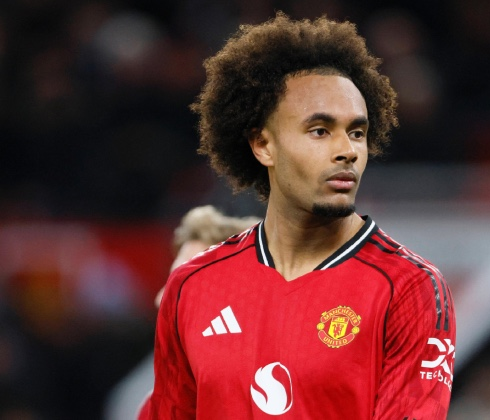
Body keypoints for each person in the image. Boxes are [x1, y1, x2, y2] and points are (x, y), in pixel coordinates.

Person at [143, 12, 456, 419]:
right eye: (320, 131)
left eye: (357, 132)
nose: (347, 151)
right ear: (263, 145)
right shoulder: (191, 286)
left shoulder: (410, 288)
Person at [105, 205, 259, 420]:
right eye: (171, 282)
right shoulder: (142, 402)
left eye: (186, 286)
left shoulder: (289, 392)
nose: (161, 299)